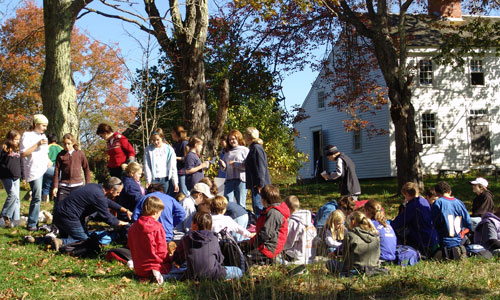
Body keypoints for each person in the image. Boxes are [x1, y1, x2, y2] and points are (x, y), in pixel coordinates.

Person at [50, 177, 130, 249]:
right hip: (68, 217)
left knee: (73, 236)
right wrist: (123, 223)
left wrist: (125, 210)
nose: (118, 195)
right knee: (86, 240)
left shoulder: (95, 187)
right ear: (111, 190)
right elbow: (108, 218)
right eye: (118, 192)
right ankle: (60, 242)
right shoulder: (98, 196)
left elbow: (107, 201)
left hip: (59, 213)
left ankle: (48, 240)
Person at [172, 212, 243, 280]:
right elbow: (219, 259)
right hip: (214, 274)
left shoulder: (187, 239)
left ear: (195, 224)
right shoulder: (213, 238)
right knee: (238, 271)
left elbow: (177, 259)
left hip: (192, 275)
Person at [128, 195, 172, 283]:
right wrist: (170, 259)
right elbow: (161, 251)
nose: (159, 216)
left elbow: (130, 246)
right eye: (160, 213)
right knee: (179, 268)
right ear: (155, 212)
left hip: (139, 268)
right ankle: (157, 275)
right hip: (156, 266)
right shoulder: (157, 227)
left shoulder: (133, 227)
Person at [243, 185, 290, 265]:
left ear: (264, 200)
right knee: (243, 248)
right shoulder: (269, 211)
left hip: (269, 248)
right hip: (265, 245)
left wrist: (252, 244)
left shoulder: (273, 213)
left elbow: (265, 233)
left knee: (244, 259)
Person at [20, 114, 51, 231]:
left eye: (46, 126)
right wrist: (37, 144)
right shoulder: (27, 135)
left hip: (45, 167)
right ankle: (32, 224)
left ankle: (61, 217)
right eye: (43, 125)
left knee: (61, 177)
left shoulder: (44, 136)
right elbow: (23, 153)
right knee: (37, 196)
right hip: (34, 170)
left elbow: (45, 153)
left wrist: (49, 161)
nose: (45, 128)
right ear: (36, 124)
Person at [391, 182, 438, 257]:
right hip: (433, 239)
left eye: (404, 196)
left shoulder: (413, 206)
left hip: (423, 242)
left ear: (407, 194)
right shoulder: (424, 201)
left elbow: (397, 223)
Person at [431, 181, 472, 259]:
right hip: (459, 242)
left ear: (436, 193)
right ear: (450, 191)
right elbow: (468, 223)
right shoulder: (459, 203)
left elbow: (433, 223)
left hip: (444, 243)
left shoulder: (438, 203)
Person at [52, 133, 91, 205]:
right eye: (65, 144)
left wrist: (88, 184)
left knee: (77, 207)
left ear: (73, 143)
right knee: (60, 207)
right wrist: (55, 186)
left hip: (77, 186)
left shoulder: (80, 153)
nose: (66, 146)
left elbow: (86, 169)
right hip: (64, 186)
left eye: (69, 143)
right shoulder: (60, 155)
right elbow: (56, 172)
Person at [243, 127, 271, 217]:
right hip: (255, 184)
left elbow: (260, 167)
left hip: (258, 185)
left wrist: (260, 184)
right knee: (257, 208)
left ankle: (261, 228)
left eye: (245, 135)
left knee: (259, 208)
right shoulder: (253, 148)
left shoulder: (256, 148)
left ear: (248, 136)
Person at [143, 128, 178, 196]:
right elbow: (147, 165)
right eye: (153, 140)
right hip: (154, 179)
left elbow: (173, 167)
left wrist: (175, 183)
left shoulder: (169, 149)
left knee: (164, 198)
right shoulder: (148, 149)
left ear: (162, 138)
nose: (155, 142)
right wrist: (148, 180)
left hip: (165, 179)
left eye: (157, 140)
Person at [283, 196, 317, 264]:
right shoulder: (308, 219)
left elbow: (289, 242)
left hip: (297, 255)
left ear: (287, 208)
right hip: (310, 254)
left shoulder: (292, 222)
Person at [220, 130, 249, 208]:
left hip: (241, 181)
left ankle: (243, 219)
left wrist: (235, 164)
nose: (231, 141)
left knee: (241, 204)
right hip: (229, 180)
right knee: (227, 204)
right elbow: (226, 169)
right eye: (230, 140)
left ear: (238, 138)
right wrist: (224, 167)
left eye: (233, 139)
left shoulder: (244, 150)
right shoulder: (227, 152)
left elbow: (248, 167)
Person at [0, 130, 23, 228]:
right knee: (12, 195)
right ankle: (4, 215)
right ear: (10, 139)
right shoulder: (3, 149)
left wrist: (24, 176)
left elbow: (21, 163)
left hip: (16, 177)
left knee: (17, 199)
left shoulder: (18, 150)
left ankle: (15, 221)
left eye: (19, 139)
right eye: (15, 139)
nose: (17, 141)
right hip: (6, 176)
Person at [42, 133, 62, 203]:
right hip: (58, 168)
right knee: (57, 185)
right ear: (56, 140)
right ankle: (54, 199)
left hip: (49, 167)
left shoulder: (47, 147)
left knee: (47, 184)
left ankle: (44, 200)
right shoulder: (60, 148)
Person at [171, 125, 189, 196]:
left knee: (183, 192)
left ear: (175, 133)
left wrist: (175, 157)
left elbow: (187, 158)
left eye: (172, 132)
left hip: (182, 172)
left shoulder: (184, 143)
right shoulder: (175, 144)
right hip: (175, 172)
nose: (171, 134)